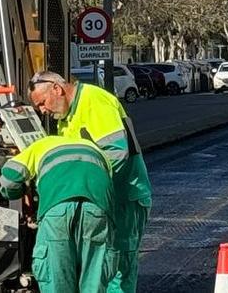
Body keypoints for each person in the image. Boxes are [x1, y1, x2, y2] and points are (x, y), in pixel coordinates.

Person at [29, 71, 151, 293]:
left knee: (117, 267)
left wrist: (89, 187)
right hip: (98, 201)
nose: (43, 111)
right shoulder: (65, 119)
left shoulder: (93, 101)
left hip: (124, 197)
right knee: (95, 269)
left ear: (57, 88)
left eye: (42, 103)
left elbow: (117, 152)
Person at [0, 134, 114, 292]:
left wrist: (18, 191)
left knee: (57, 276)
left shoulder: (40, 145)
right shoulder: (95, 149)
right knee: (94, 276)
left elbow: (8, 181)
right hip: (97, 207)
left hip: (58, 210)